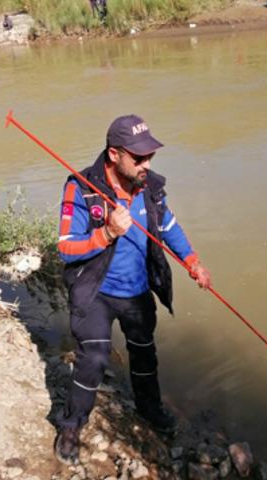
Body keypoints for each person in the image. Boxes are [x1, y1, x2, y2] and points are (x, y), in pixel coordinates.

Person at [53, 114, 212, 465]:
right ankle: (71, 425)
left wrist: (193, 262)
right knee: (93, 359)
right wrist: (107, 233)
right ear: (114, 154)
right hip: (95, 291)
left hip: (137, 291)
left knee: (144, 354)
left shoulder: (149, 186)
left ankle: (149, 408)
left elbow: (169, 227)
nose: (147, 164)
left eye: (150, 155)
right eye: (139, 157)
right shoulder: (81, 187)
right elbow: (66, 248)